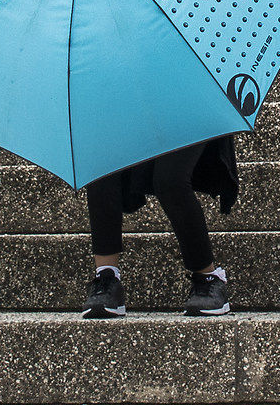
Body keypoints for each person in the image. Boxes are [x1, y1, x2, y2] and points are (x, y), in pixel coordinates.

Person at [82, 136, 238, 318]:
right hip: (129, 119)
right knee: (101, 169)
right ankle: (106, 277)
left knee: (170, 179)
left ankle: (208, 278)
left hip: (188, 119)